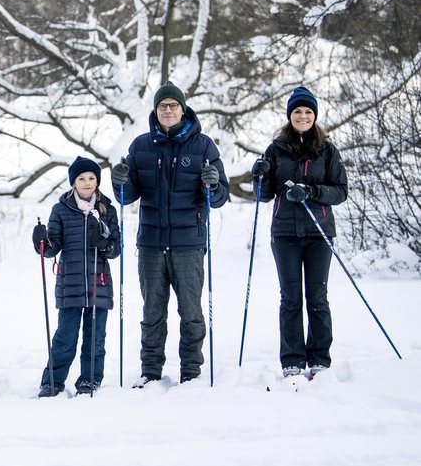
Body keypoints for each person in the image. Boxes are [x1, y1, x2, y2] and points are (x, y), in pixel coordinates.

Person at [110, 80, 229, 387]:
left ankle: (191, 370)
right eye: (162, 106)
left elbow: (218, 198)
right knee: (152, 312)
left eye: (173, 105)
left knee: (190, 311)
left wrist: (213, 183)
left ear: (183, 109)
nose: (167, 111)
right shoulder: (140, 146)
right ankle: (150, 371)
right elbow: (127, 197)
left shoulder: (203, 146)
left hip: (188, 244)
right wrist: (119, 181)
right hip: (150, 243)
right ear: (155, 110)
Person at [251, 86, 348, 379]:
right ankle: (292, 359)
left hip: (319, 233)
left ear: (314, 116)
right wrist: (260, 174)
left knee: (317, 296)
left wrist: (311, 191)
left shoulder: (327, 149)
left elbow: (341, 192)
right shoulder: (276, 148)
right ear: (289, 116)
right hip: (285, 234)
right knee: (290, 297)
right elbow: (263, 195)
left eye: (307, 112)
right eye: (297, 112)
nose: (303, 116)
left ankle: (319, 356)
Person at [31, 157, 120, 397]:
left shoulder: (107, 210)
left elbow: (116, 249)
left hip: (98, 283)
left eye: (91, 178)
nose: (87, 182)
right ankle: (52, 381)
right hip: (70, 283)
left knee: (95, 338)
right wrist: (42, 243)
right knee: (65, 337)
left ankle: (89, 380)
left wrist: (103, 244)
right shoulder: (60, 210)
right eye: (81, 178)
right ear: (73, 182)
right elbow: (52, 248)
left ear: (97, 181)